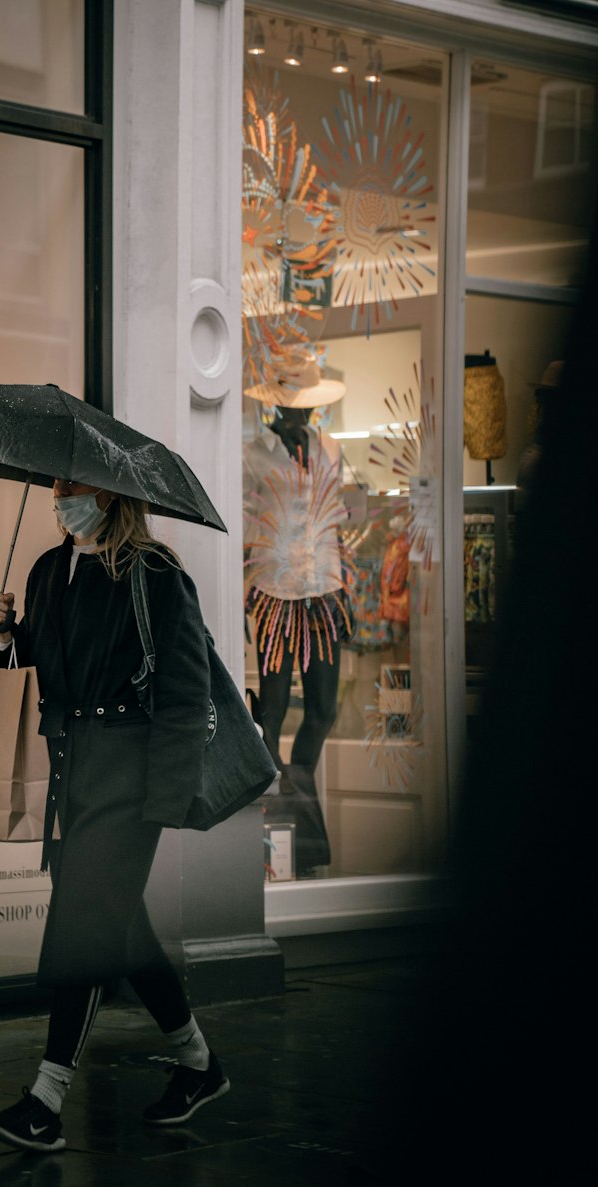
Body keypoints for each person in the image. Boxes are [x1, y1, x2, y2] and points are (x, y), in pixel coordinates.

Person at [0, 479, 228, 1153]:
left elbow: (185, 688)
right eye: (56, 487)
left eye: (75, 488)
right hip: (70, 772)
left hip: (132, 775)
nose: (60, 498)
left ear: (112, 496)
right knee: (118, 927)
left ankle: (46, 1098)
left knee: (85, 924)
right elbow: (38, 673)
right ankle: (200, 1064)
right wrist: (3, 635)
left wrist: (166, 797)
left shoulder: (155, 573)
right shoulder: (48, 569)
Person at [243, 352, 352, 873]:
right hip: (275, 589)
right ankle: (279, 789)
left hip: (324, 587)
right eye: (292, 407)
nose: (301, 416)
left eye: (307, 407)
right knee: (273, 707)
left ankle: (298, 782)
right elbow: (243, 521)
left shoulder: (329, 448)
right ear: (277, 408)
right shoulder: (253, 454)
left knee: (325, 707)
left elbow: (340, 510)